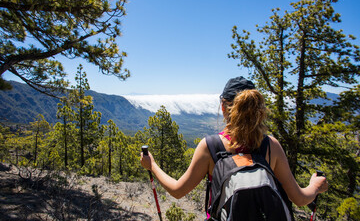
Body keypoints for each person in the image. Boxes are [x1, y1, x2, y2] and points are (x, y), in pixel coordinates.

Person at [140, 76, 328, 211]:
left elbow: (178, 190)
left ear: (223, 106)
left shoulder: (210, 146)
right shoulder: (271, 146)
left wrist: (152, 165)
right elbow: (300, 199)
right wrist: (316, 186)